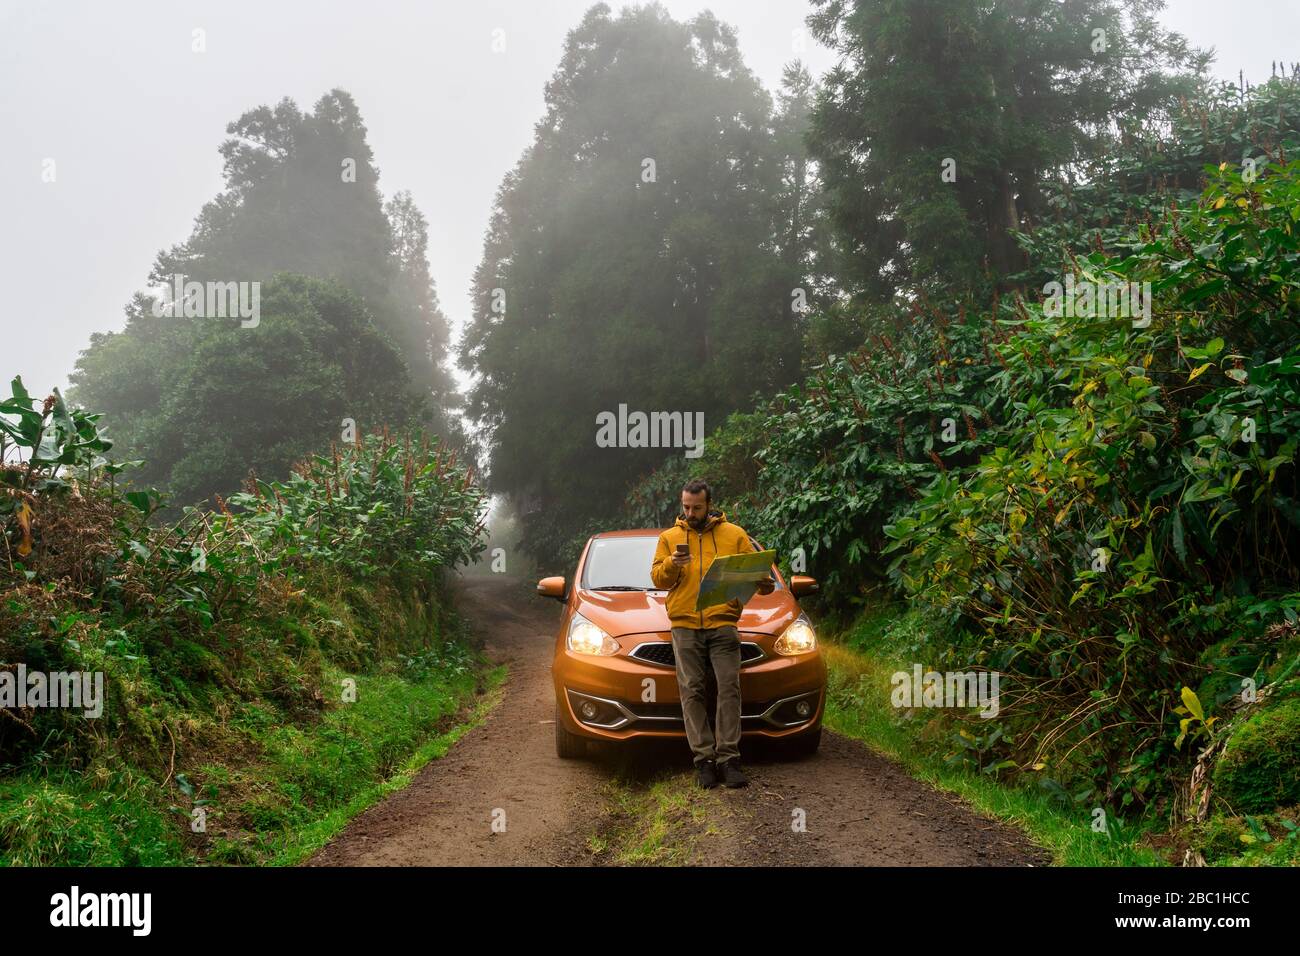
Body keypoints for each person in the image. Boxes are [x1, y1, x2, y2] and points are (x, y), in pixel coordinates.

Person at [650, 479, 773, 789]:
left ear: (710, 505)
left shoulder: (735, 534)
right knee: (692, 690)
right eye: (686, 507)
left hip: (723, 621)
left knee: (729, 687)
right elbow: (658, 579)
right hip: (685, 624)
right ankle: (703, 760)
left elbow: (755, 573)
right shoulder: (669, 538)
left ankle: (729, 759)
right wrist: (672, 565)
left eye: (697, 507)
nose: (690, 513)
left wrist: (764, 582)